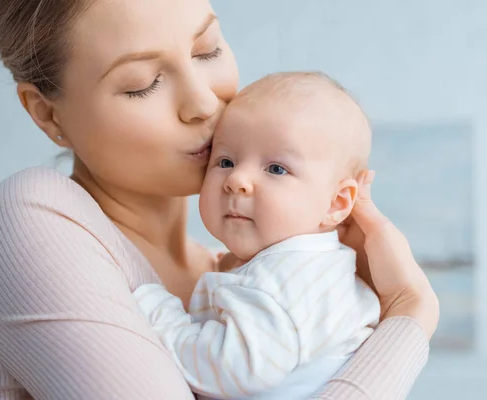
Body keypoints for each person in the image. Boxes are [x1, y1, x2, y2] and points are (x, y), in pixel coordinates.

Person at [0, 0, 439, 399]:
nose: (202, 102)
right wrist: (410, 317)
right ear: (47, 112)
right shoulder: (32, 217)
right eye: (142, 82)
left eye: (208, 49)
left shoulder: (238, 277)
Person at [133, 71, 380, 400]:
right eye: (225, 160)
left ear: (336, 202)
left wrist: (157, 311)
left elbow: (235, 369)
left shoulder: (283, 281)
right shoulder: (309, 267)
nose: (237, 179)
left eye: (276, 169)